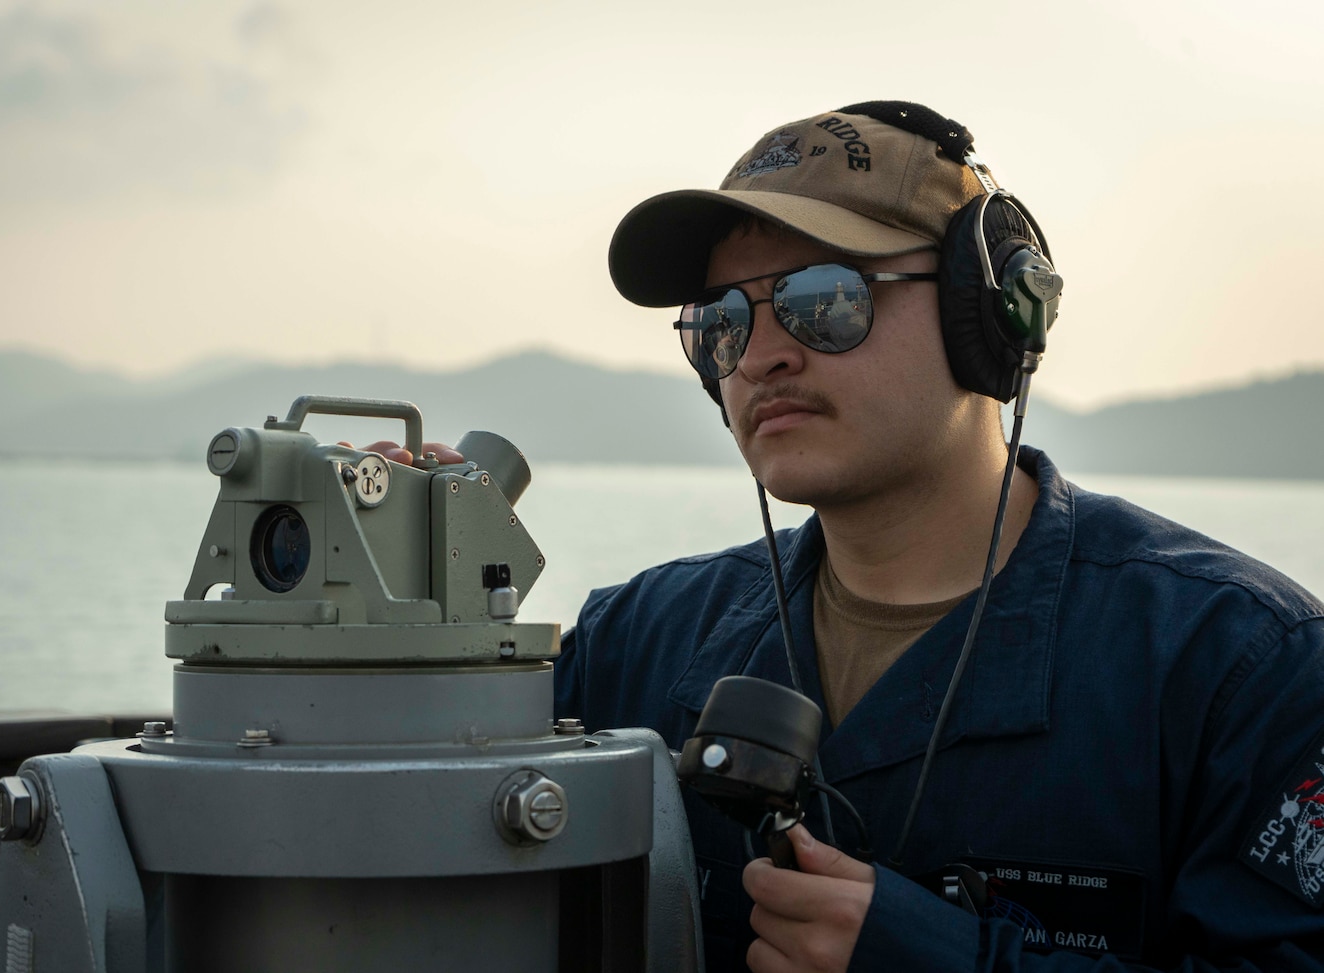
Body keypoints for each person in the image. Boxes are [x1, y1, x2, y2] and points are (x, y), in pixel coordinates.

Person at [552, 102, 1324, 971]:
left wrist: (936, 956)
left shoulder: (1237, 668)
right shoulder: (633, 645)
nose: (760, 354)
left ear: (988, 312)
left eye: (825, 298)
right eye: (723, 319)